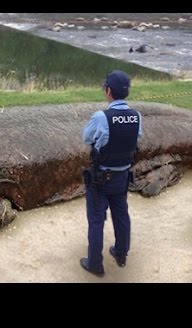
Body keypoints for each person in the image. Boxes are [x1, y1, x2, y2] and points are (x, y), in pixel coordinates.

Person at [80, 70, 142, 278]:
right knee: (122, 215)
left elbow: (86, 138)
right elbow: (135, 140)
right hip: (122, 177)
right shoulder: (136, 116)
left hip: (101, 179)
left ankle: (95, 264)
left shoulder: (101, 117)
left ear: (108, 91)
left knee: (96, 220)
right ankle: (121, 253)